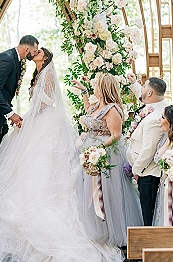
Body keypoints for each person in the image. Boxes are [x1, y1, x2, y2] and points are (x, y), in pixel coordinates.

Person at [0, 49, 123, 262]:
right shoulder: (35, 73)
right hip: (37, 119)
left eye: (39, 51)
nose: (35, 52)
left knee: (46, 163)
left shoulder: (49, 75)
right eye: (35, 51)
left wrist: (29, 118)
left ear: (45, 57)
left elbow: (45, 101)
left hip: (46, 121)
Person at [72, 73, 144, 247]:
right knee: (90, 189)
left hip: (106, 154)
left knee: (106, 191)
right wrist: (84, 92)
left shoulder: (112, 109)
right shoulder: (97, 105)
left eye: (96, 83)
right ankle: (94, 228)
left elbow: (116, 135)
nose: (94, 85)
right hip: (91, 152)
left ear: (103, 87)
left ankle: (110, 230)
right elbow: (89, 109)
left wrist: (99, 150)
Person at [0, 35, 39, 167]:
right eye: (34, 52)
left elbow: (3, 91)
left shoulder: (14, 59)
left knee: (0, 150)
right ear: (27, 49)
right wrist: (10, 114)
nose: (33, 55)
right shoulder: (7, 59)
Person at [125, 74, 168, 226]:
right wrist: (134, 84)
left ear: (150, 93)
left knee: (148, 215)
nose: (141, 89)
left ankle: (149, 246)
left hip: (148, 173)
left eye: (144, 87)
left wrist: (136, 170)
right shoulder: (155, 105)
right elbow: (142, 97)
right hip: (144, 171)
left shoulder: (157, 117)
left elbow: (149, 150)